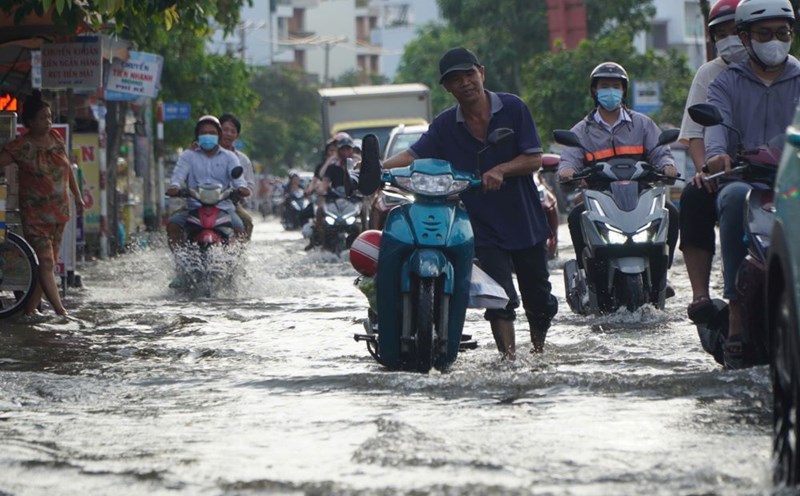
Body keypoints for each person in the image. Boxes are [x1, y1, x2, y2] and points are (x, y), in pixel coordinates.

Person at [380, 47, 558, 359]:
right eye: (455, 79)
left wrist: (502, 169)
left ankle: (539, 352)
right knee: (500, 299)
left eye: (469, 74)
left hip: (524, 218)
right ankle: (509, 361)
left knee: (540, 301)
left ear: (481, 73)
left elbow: (533, 158)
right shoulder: (445, 125)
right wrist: (375, 169)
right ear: (446, 87)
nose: (464, 83)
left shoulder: (514, 108)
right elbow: (413, 156)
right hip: (481, 224)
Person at [703, 0, 800, 368]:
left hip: (794, 181)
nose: (775, 41)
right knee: (732, 198)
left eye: (782, 33)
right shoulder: (725, 83)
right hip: (748, 182)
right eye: (764, 34)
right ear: (745, 38)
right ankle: (736, 315)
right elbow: (714, 136)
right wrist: (717, 156)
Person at [558, 62, 680, 287]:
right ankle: (586, 276)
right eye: (605, 86)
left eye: (616, 86)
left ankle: (663, 274)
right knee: (576, 218)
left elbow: (661, 152)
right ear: (594, 90)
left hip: (640, 195)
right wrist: (567, 172)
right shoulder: (581, 131)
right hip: (599, 197)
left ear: (624, 90)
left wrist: (667, 166)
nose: (610, 91)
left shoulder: (643, 124)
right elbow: (568, 162)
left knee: (670, 212)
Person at [678, 0, 746, 324]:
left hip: (780, 173)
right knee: (693, 197)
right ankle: (700, 295)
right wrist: (706, 169)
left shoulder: (790, 73)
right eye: (722, 34)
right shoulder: (712, 75)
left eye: (736, 31)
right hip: (727, 172)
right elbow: (696, 134)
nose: (730, 39)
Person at [0, 90, 84, 316]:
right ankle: (61, 312)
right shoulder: (21, 146)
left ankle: (29, 312)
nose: (48, 122)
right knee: (46, 262)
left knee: (48, 265)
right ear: (29, 122)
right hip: (36, 215)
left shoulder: (56, 138)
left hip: (60, 212)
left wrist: (77, 196)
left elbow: (68, 171)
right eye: (42, 118)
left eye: (49, 117)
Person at [166, 115, 250, 249]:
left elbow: (238, 179)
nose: (208, 136)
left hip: (224, 208)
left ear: (219, 135)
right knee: (173, 223)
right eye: (203, 133)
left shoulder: (230, 157)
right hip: (194, 207)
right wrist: (175, 187)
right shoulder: (188, 156)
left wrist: (241, 188)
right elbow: (178, 175)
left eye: (212, 133)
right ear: (197, 136)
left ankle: (237, 260)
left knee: (239, 226)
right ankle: (179, 258)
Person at [309, 136, 359, 249]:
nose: (346, 152)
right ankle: (322, 243)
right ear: (339, 151)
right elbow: (324, 181)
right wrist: (320, 190)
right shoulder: (332, 167)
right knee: (320, 211)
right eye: (343, 149)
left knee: (367, 212)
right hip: (335, 200)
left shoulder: (357, 165)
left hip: (355, 200)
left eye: (348, 149)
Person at [218, 113, 256, 240]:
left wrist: (240, 194)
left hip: (230, 203)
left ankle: (238, 256)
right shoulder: (200, 153)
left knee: (246, 222)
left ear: (237, 136)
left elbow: (249, 186)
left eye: (232, 131)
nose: (228, 134)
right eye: (225, 130)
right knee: (176, 221)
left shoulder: (242, 160)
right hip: (200, 202)